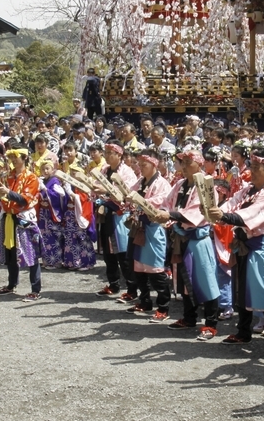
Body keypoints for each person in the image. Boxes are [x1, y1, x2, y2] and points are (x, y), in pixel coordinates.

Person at [209, 147, 264, 361]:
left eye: (255, 167)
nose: (251, 171)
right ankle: (243, 332)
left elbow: (253, 214)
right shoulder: (249, 189)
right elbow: (232, 203)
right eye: (251, 166)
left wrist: (223, 216)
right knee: (241, 291)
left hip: (260, 250)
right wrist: (217, 210)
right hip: (243, 246)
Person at [155, 146, 222, 340]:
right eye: (182, 162)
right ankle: (189, 317)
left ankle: (211, 323)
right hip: (180, 236)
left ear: (199, 164)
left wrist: (170, 215)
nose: (183, 166)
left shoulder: (207, 185)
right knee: (184, 280)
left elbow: (195, 213)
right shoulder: (180, 184)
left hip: (197, 239)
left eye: (188, 162)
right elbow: (167, 203)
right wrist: (162, 213)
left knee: (206, 281)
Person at [124, 148, 173, 319]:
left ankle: (163, 307)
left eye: (144, 164)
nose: (140, 167)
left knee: (156, 269)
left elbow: (162, 201)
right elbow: (129, 193)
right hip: (139, 227)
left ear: (154, 164)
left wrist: (140, 201)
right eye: (140, 164)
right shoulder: (140, 181)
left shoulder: (163, 184)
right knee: (138, 268)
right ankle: (144, 301)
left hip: (153, 228)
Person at [0, 146, 42, 299]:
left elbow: (24, 200)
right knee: (11, 253)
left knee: (31, 254)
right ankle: (11, 284)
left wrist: (7, 192)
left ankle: (35, 289)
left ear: (25, 158)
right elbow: (2, 194)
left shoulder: (31, 177)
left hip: (24, 219)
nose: (13, 160)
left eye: (16, 156)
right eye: (12, 157)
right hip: (9, 217)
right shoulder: (8, 175)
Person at [94, 142, 139, 300]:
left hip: (121, 216)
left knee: (123, 254)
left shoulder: (127, 172)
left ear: (119, 155)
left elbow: (127, 194)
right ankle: (113, 284)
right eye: (106, 152)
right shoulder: (105, 169)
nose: (107, 156)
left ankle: (132, 289)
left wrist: (106, 191)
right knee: (108, 253)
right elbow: (97, 186)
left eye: (110, 153)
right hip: (106, 214)